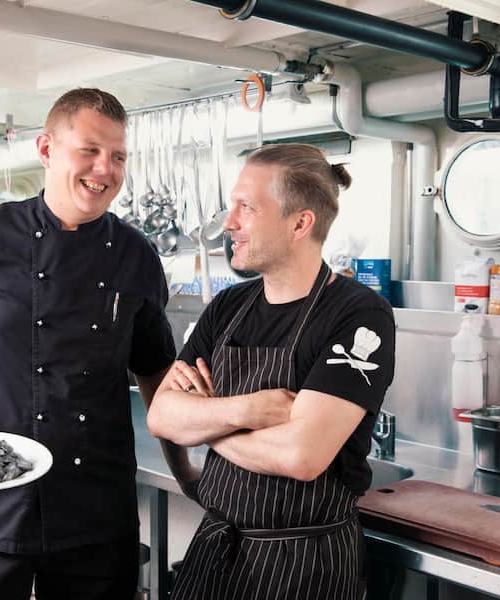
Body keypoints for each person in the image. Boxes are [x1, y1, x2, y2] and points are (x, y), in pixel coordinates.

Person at [0, 88, 176, 600]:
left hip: (96, 504)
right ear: (47, 149)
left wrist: (186, 464)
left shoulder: (137, 255)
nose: (105, 169)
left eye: (118, 156)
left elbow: (156, 370)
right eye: (89, 150)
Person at [147, 143, 395, 600]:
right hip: (216, 549)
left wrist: (206, 426)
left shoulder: (359, 315)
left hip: (304, 565)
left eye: (247, 208)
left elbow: (302, 455)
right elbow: (162, 416)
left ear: (301, 223)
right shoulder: (227, 307)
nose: (229, 222)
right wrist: (253, 409)